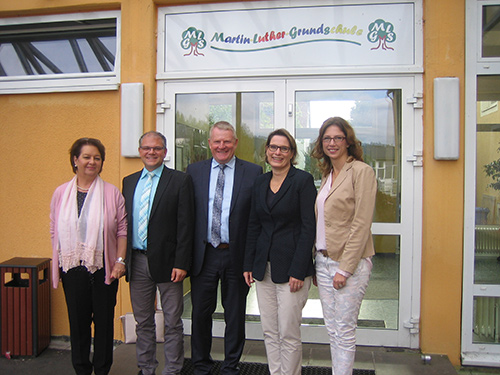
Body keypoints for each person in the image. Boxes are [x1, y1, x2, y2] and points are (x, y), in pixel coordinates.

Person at [186, 121, 263, 375]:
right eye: (217, 141)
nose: (222, 146)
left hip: (236, 255)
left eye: (227, 141)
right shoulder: (194, 171)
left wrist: (251, 260)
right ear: (209, 143)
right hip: (204, 254)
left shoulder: (253, 172)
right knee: (200, 314)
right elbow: (188, 216)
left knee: (235, 314)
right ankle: (201, 364)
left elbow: (256, 219)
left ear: (236, 143)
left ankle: (231, 365)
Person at [50, 138, 127, 375]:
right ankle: (82, 369)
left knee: (103, 325)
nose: (92, 162)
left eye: (97, 157)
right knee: (78, 324)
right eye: (86, 157)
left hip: (104, 270)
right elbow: (54, 229)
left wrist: (120, 262)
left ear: (102, 162)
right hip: (72, 269)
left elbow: (122, 230)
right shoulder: (61, 193)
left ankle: (102, 370)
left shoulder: (112, 193)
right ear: (75, 160)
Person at [243, 129, 316, 375]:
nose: (277, 152)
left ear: (292, 153)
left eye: (284, 148)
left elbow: (309, 229)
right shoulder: (260, 182)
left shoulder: (302, 181)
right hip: (264, 269)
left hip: (293, 269)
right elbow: (254, 225)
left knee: (288, 331)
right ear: (266, 151)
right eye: (273, 147)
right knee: (269, 329)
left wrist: (298, 269)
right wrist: (249, 264)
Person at [122, 131, 194, 375]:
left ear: (165, 152)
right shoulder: (129, 181)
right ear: (140, 151)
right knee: (143, 322)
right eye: (146, 148)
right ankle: (146, 368)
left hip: (169, 263)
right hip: (137, 260)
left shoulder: (180, 181)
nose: (151, 152)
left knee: (173, 322)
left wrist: (182, 262)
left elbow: (186, 225)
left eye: (157, 148)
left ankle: (173, 369)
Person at [311, 117, 377, 375]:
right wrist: (319, 262)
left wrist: (345, 269)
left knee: (345, 329)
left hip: (349, 264)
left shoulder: (361, 171)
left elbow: (361, 223)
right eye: (327, 138)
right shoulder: (328, 174)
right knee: (333, 328)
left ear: (348, 141)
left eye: (338, 137)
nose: (332, 143)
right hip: (324, 262)